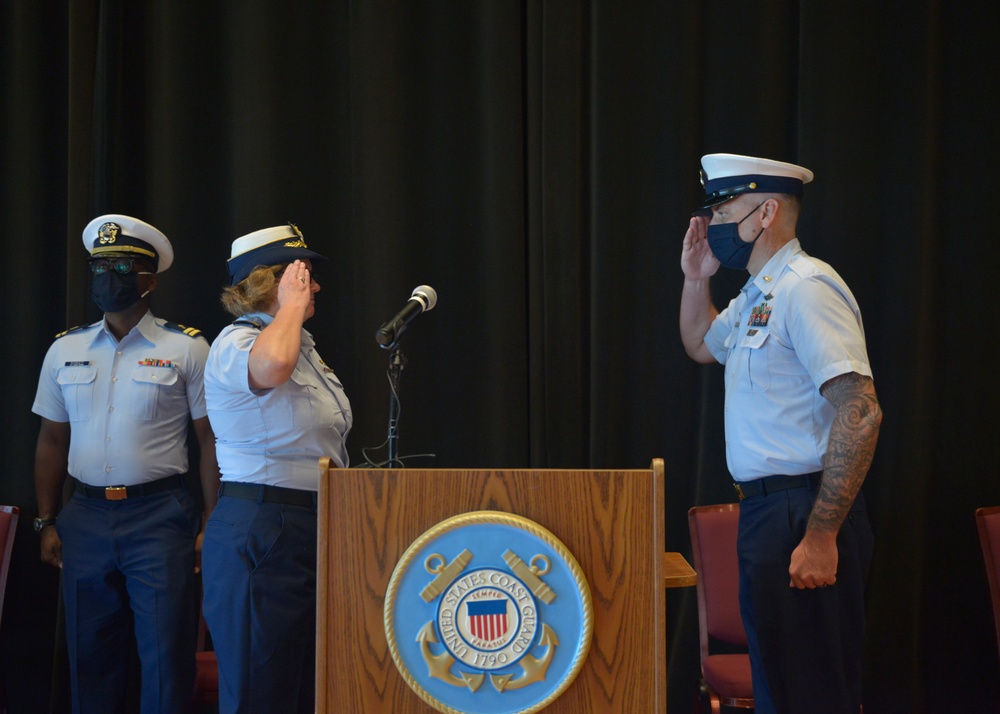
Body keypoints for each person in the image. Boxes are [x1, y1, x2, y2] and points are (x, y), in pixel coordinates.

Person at [679, 154, 882, 714]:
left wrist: (820, 537)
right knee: (780, 691)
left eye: (725, 209)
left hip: (807, 512)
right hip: (767, 515)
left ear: (766, 212)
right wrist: (697, 279)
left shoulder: (806, 287)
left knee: (813, 693)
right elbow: (700, 343)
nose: (715, 221)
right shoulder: (755, 295)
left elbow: (860, 411)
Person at [32, 214, 220, 713]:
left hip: (160, 516)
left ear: (148, 281)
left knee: (165, 658)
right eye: (97, 267)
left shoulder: (186, 347)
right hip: (86, 517)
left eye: (117, 267)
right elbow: (51, 439)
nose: (104, 277)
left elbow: (210, 442)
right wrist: (47, 519)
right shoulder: (64, 349)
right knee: (89, 657)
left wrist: (209, 520)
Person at [201, 223, 352, 714]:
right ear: (272, 281)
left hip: (316, 525)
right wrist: (288, 306)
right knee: (259, 690)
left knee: (308, 687)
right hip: (262, 527)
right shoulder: (235, 343)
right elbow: (269, 371)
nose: (315, 287)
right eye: (302, 275)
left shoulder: (303, 346)